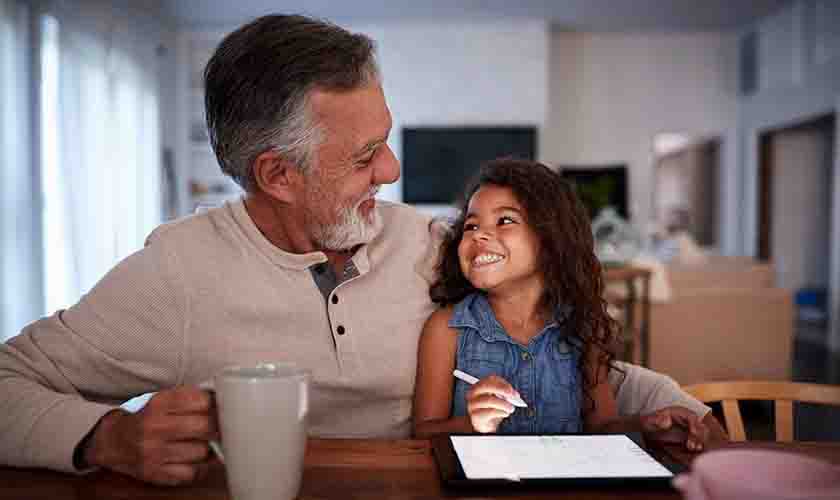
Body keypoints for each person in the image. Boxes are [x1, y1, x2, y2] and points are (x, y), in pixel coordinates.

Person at [0, 14, 719, 487]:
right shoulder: (176, 275)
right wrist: (105, 437)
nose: (393, 173)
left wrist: (675, 406)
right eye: (365, 155)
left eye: (388, 141)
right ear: (277, 175)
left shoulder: (431, 247)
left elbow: (561, 355)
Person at [413, 159, 715, 448]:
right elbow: (423, 433)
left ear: (551, 238)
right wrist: (473, 426)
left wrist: (645, 426)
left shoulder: (583, 327)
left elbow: (602, 428)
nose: (479, 235)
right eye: (471, 225)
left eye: (504, 220)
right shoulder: (447, 328)